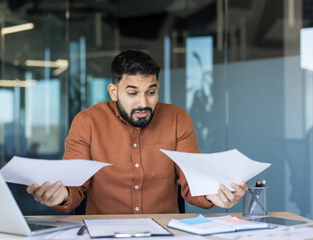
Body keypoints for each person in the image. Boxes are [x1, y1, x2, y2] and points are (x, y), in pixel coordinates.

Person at [27, 50, 248, 214]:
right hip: (104, 235)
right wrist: (59, 196)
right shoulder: (87, 122)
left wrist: (215, 195)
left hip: (164, 234)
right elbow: (73, 188)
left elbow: (192, 183)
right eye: (132, 93)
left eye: (151, 92)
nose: (143, 103)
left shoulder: (177, 119)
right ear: (113, 92)